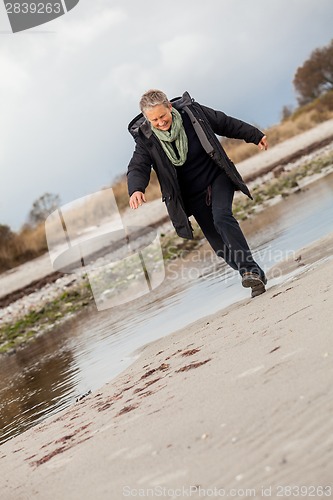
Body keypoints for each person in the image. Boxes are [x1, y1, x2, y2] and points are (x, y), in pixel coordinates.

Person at [127, 89, 268, 297]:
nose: (160, 122)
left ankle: (249, 271)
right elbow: (138, 166)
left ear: (170, 107)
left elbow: (224, 123)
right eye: (154, 120)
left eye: (162, 116)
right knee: (220, 248)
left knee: (222, 218)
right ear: (147, 120)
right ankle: (254, 275)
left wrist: (254, 135)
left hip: (216, 178)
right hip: (192, 197)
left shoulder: (194, 114)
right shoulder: (146, 139)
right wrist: (136, 188)